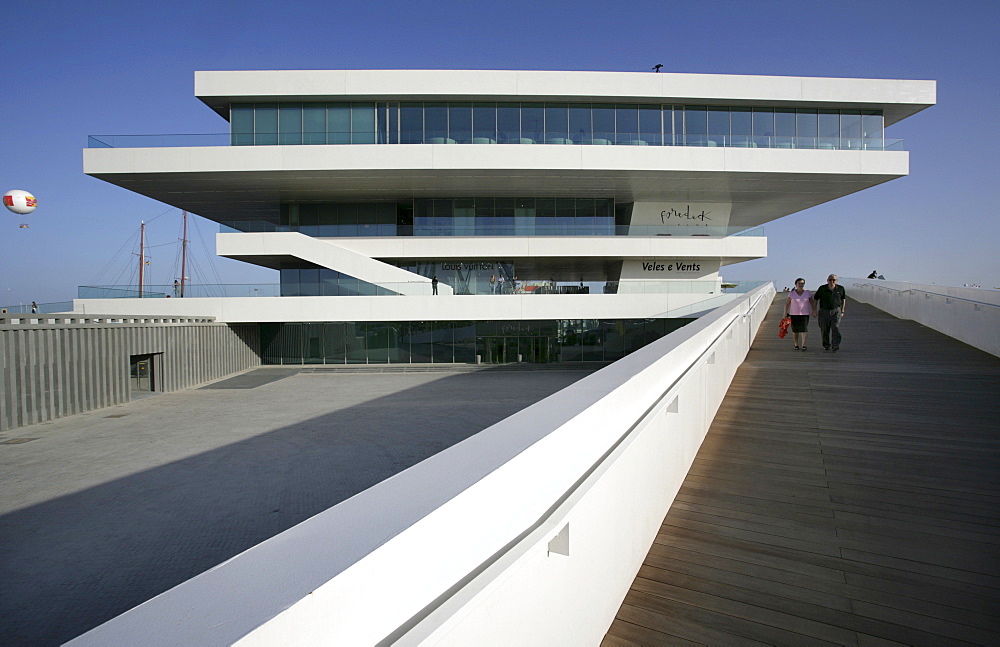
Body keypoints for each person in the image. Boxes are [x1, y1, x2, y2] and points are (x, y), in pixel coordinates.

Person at [813, 274, 846, 351]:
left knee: (835, 328)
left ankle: (835, 345)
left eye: (834, 280)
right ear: (827, 280)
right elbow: (815, 299)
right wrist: (814, 310)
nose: (832, 281)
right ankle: (826, 345)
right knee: (824, 329)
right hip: (824, 311)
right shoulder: (822, 288)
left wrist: (842, 310)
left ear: (836, 281)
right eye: (830, 280)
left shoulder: (840, 288)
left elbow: (843, 299)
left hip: (835, 311)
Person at [783, 278, 814, 350]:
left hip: (804, 313)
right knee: (795, 330)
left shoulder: (807, 292)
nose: (801, 285)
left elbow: (812, 302)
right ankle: (796, 344)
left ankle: (804, 344)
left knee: (804, 329)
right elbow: (787, 303)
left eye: (802, 283)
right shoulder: (792, 293)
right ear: (796, 285)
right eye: (799, 283)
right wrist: (785, 313)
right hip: (794, 314)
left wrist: (814, 310)